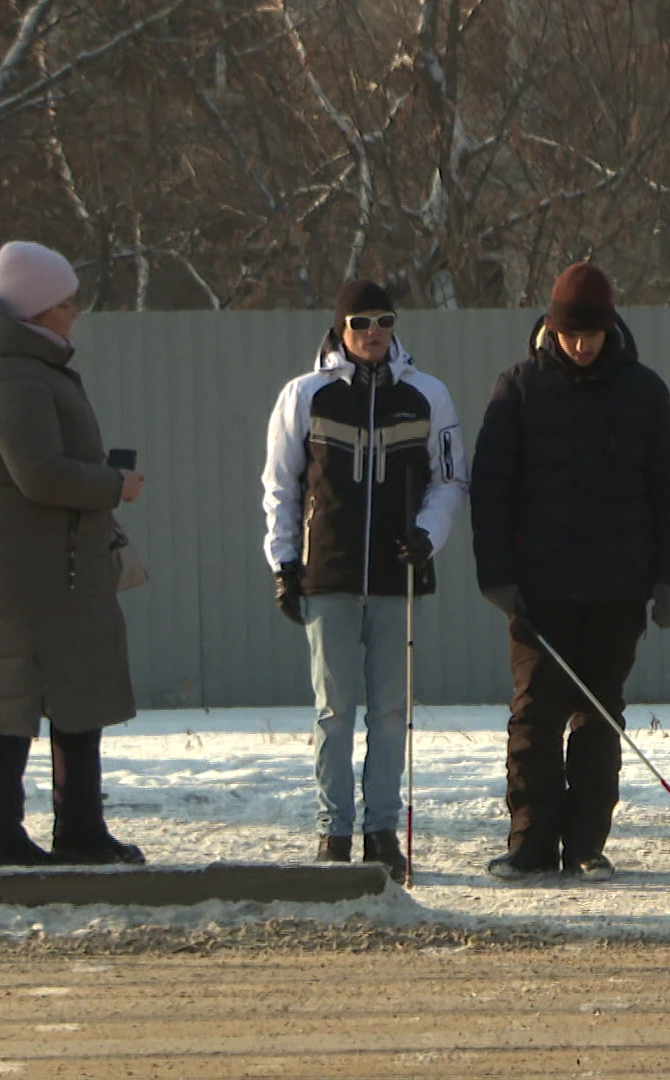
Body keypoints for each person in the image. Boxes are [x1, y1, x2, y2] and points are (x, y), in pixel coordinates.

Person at [469, 263, 670, 882]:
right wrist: (497, 575)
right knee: (535, 714)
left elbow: (669, 493)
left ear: (610, 328)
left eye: (592, 333)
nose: (581, 344)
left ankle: (587, 843)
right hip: (537, 590)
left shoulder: (644, 392)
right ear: (551, 327)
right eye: (571, 333)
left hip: (618, 589)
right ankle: (531, 842)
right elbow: (491, 492)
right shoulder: (516, 389)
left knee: (599, 714)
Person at [262, 280, 468, 882]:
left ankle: (381, 830)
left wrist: (428, 534)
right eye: (360, 322)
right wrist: (282, 564)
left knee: (390, 711)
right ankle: (334, 831)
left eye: (383, 320)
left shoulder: (428, 395)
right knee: (334, 711)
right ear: (340, 329)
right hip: (327, 573)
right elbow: (280, 485)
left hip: (396, 576)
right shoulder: (306, 395)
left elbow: (450, 481)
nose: (372, 332)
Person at [0, 241, 146, 867]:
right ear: (35, 310)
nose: (75, 313)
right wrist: (113, 485)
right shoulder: (9, 373)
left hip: (51, 561)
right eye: (66, 303)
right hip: (27, 569)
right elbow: (38, 474)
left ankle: (75, 828)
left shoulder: (27, 366)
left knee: (70, 687)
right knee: (16, 693)